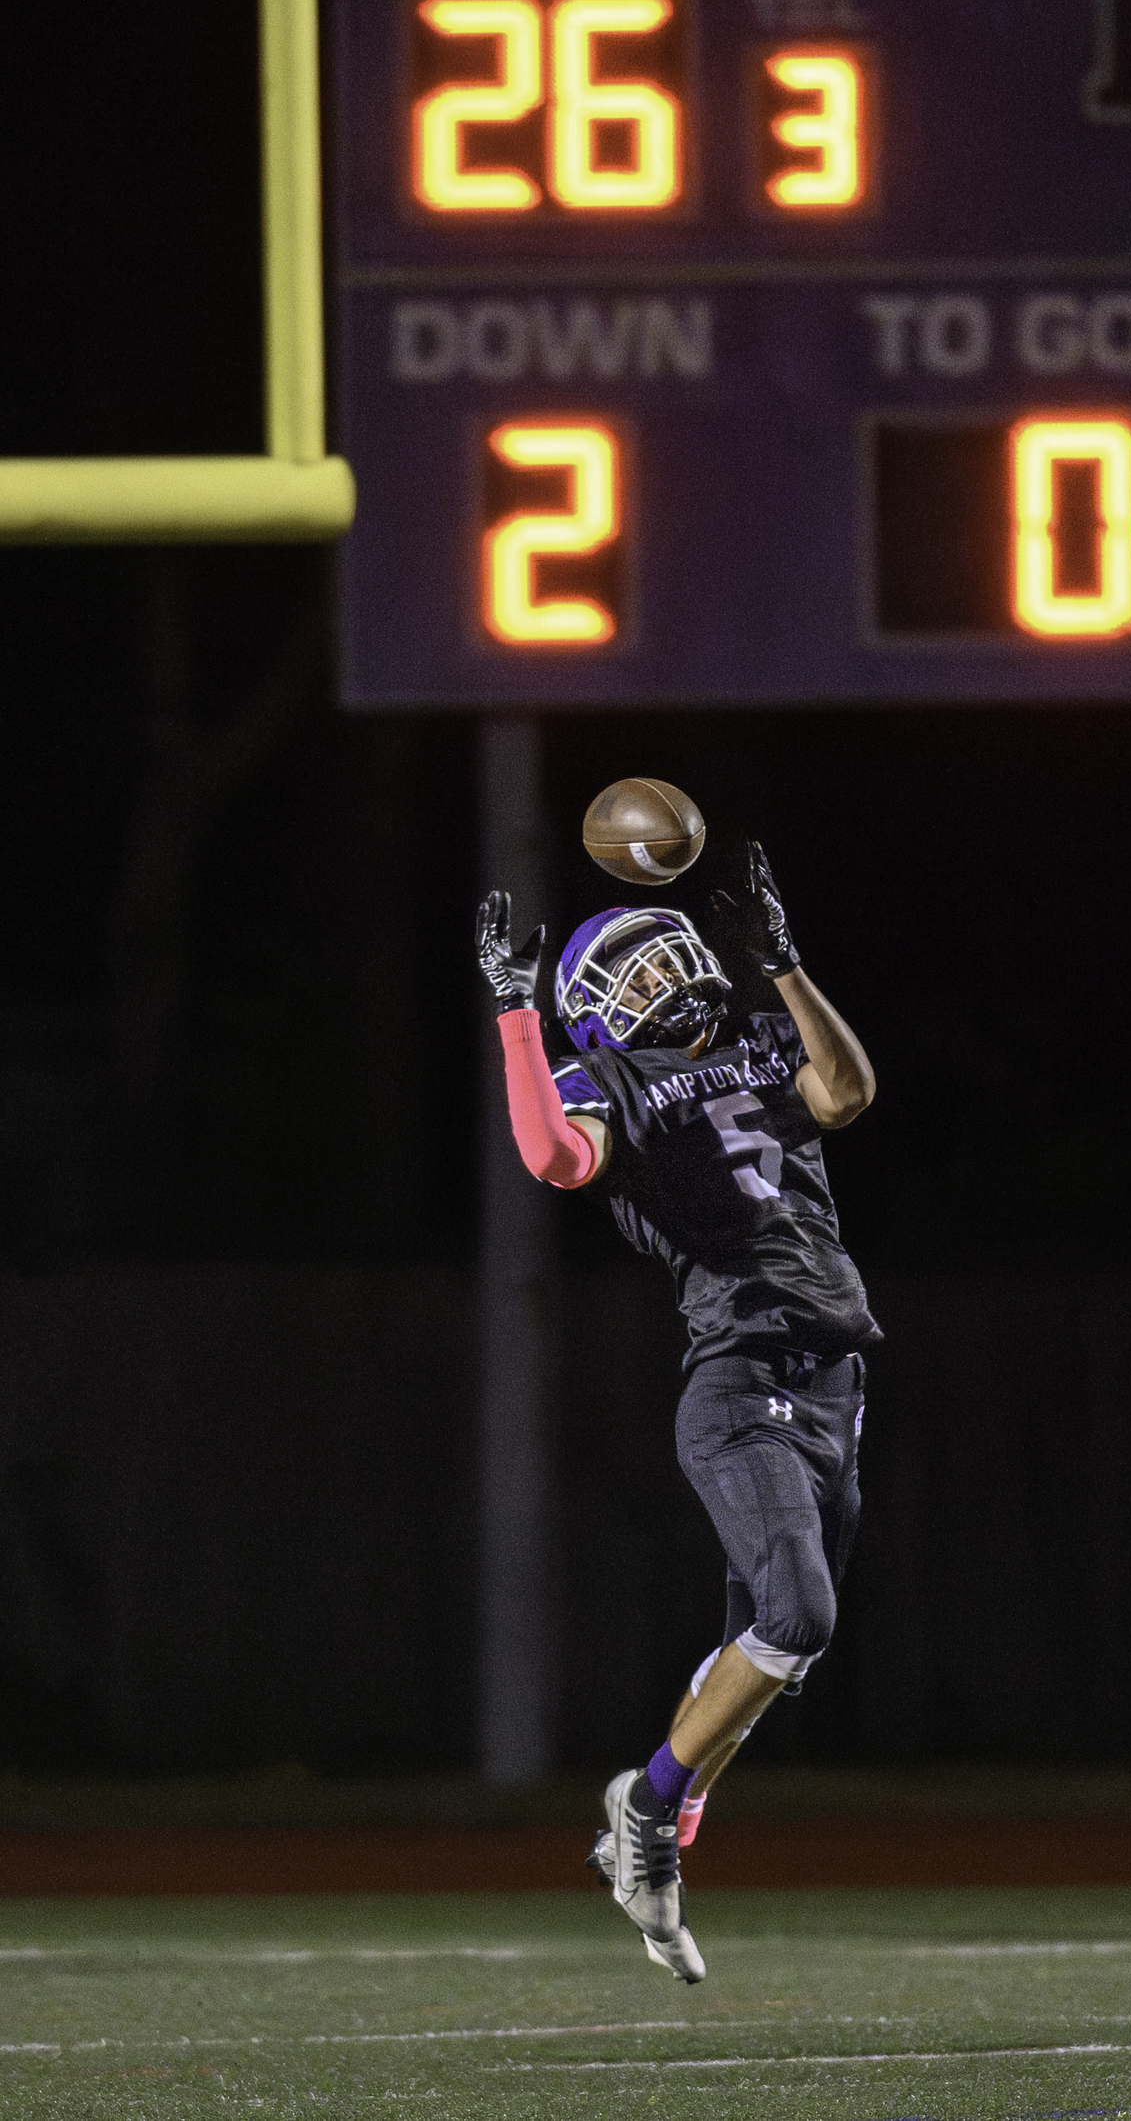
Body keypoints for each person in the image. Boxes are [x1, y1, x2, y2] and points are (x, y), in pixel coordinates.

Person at [475, 841, 878, 1982]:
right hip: (739, 1374)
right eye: (635, 971)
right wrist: (516, 1015)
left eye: (668, 953)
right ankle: (651, 1809)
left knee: (771, 1645)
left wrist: (786, 967)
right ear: (600, 1009)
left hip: (835, 1374)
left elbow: (845, 1094)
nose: (663, 975)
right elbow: (555, 1159)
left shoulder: (758, 1037)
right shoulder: (608, 1077)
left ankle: (656, 1820)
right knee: (800, 1616)